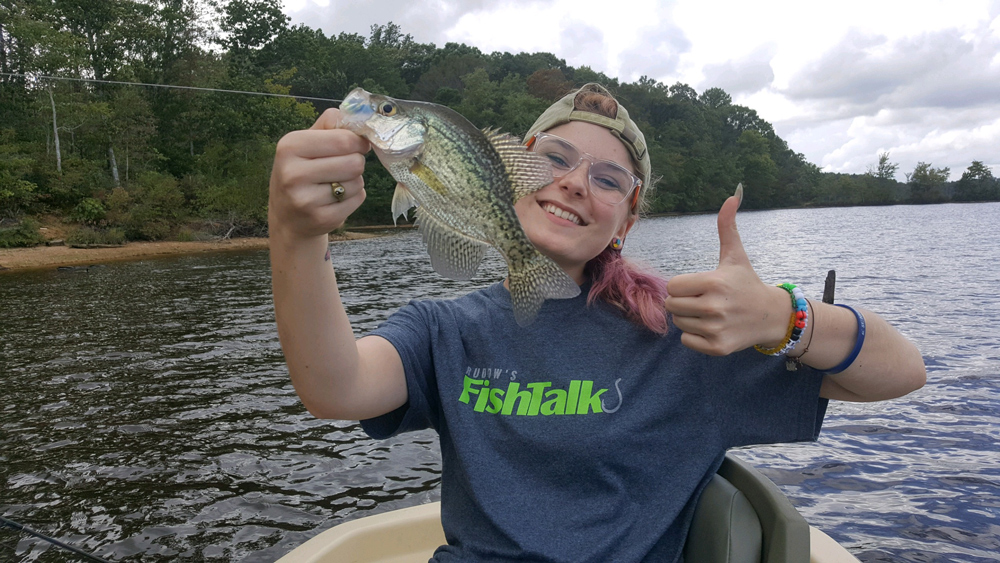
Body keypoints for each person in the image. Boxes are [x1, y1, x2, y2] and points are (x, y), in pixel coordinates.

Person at [268, 83, 926, 562]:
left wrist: (786, 316)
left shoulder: (688, 335)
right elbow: (336, 387)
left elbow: (901, 371)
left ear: (628, 220)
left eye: (608, 179)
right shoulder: (447, 328)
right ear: (511, 170)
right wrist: (296, 234)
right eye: (554, 159)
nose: (575, 181)